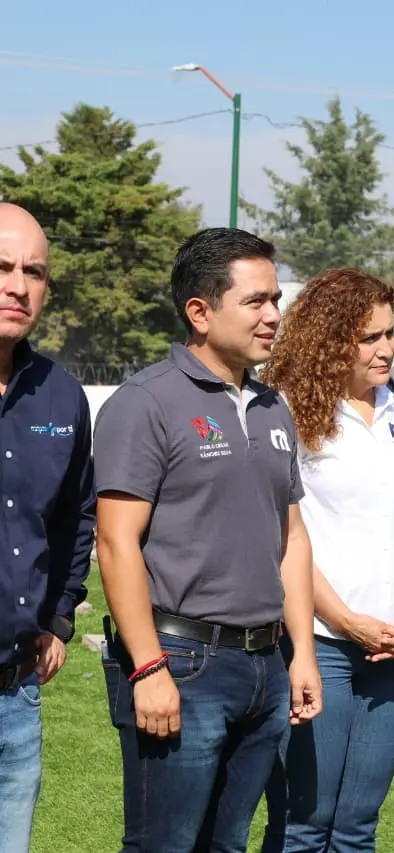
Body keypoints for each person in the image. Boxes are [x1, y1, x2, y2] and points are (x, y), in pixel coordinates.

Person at [93, 228, 323, 852]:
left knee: (227, 846)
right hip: (182, 663)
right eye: (256, 301)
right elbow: (115, 543)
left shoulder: (274, 407)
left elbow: (293, 538)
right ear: (200, 311)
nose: (274, 315)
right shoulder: (145, 403)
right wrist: (147, 668)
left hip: (265, 667)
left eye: (276, 298)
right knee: (163, 846)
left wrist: (301, 652)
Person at [259, 268, 394, 851]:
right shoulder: (287, 411)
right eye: (370, 337)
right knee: (304, 828)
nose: (387, 348)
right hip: (320, 647)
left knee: (358, 829)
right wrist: (345, 621)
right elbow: (283, 537)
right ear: (331, 338)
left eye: (390, 333)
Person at [0, 203, 95, 853]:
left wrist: (59, 615)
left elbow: (74, 517)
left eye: (34, 271)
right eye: (2, 266)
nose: (17, 284)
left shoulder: (62, 397)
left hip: (15, 691)